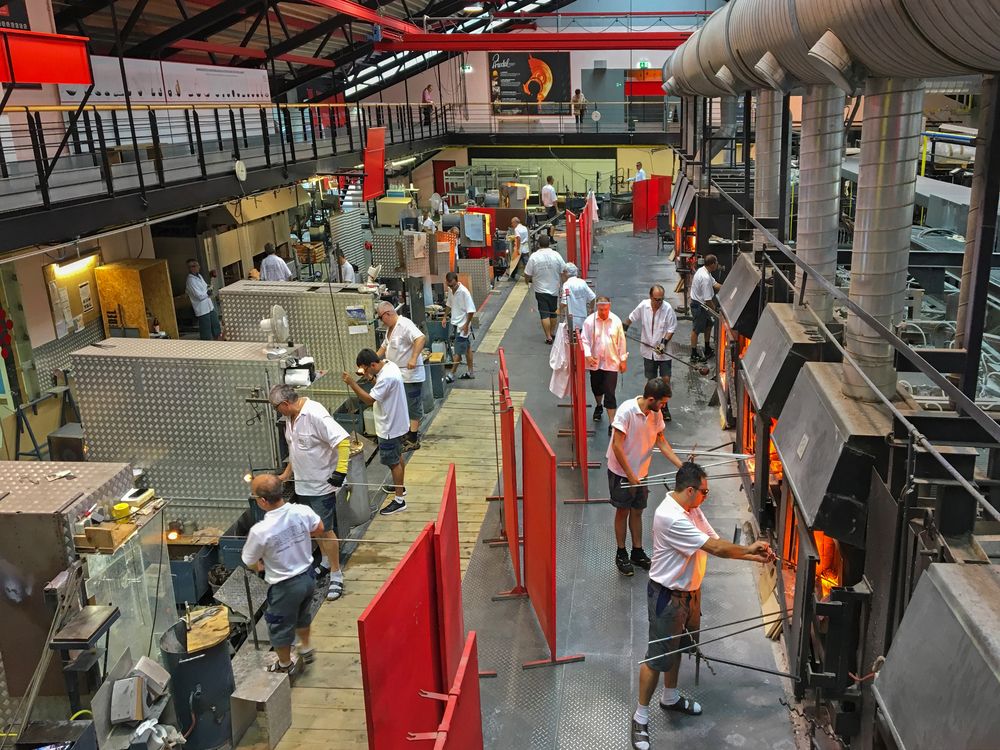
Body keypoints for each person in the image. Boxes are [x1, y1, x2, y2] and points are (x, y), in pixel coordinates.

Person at [631, 462, 773, 750]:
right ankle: (640, 717)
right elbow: (716, 548)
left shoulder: (691, 508)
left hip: (690, 594)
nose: (707, 496)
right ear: (691, 489)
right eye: (704, 492)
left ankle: (669, 697)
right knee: (657, 657)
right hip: (667, 597)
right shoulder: (670, 517)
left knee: (680, 647)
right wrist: (749, 549)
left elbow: (716, 541)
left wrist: (754, 558)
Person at [241, 474, 328, 675]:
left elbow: (248, 561)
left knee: (279, 625)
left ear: (262, 501)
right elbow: (320, 528)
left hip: (284, 586)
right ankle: (305, 648)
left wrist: (259, 566)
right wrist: (298, 539)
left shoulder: (260, 530)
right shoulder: (301, 511)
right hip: (307, 577)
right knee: (302, 616)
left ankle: (285, 664)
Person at [270, 384, 349, 601]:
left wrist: (341, 471)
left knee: (325, 529)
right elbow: (295, 449)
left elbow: (343, 441)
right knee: (313, 528)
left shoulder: (315, 414)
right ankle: (324, 560)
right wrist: (285, 475)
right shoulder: (289, 419)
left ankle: (336, 573)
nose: (278, 412)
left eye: (278, 408)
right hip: (303, 485)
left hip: (321, 486)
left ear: (285, 404)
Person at [608, 378, 685, 578]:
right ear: (651, 399)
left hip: (641, 472)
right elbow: (617, 445)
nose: (664, 406)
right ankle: (621, 552)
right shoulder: (626, 411)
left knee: (637, 511)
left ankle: (637, 551)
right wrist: (631, 475)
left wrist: (682, 466)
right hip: (622, 472)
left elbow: (662, 441)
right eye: (662, 402)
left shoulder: (655, 413)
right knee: (623, 511)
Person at [342, 349, 410, 515]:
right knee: (397, 455)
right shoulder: (388, 365)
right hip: (398, 422)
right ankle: (399, 486)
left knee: (393, 462)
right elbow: (381, 389)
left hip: (389, 425)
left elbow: (369, 399)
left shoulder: (386, 378)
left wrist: (352, 383)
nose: (364, 372)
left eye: (365, 369)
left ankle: (399, 500)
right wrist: (371, 378)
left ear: (372, 364)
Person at [376, 301, 426, 451]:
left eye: (380, 318)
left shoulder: (405, 324)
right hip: (398, 377)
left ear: (387, 314)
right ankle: (407, 432)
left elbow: (420, 338)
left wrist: (413, 358)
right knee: (402, 406)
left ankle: (413, 439)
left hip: (410, 376)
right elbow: (384, 347)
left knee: (413, 406)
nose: (381, 321)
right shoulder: (390, 330)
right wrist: (371, 360)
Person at [624, 285, 678, 421]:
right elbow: (630, 318)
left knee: (665, 379)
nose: (659, 302)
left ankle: (664, 407)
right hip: (648, 351)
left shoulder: (667, 309)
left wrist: (663, 343)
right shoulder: (643, 306)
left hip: (663, 351)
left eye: (661, 299)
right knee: (651, 380)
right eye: (656, 299)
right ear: (650, 297)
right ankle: (649, 407)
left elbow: (671, 328)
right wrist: (624, 329)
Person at [581, 296, 627, 434]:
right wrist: (588, 356)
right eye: (601, 309)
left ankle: (612, 423)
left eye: (605, 309)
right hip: (595, 362)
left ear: (609, 307)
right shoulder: (589, 322)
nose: (603, 312)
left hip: (611, 363)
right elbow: (584, 340)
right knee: (596, 388)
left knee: (610, 392)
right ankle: (598, 405)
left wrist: (623, 359)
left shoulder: (616, 321)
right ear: (597, 308)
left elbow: (621, 341)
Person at [524, 234, 566, 345]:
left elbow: (527, 273)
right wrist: (565, 284)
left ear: (538, 244)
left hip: (540, 289)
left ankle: (548, 337)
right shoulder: (556, 255)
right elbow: (563, 271)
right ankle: (552, 332)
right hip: (554, 289)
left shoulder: (534, 257)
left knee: (544, 313)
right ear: (549, 243)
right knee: (553, 312)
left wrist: (527, 281)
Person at [444, 271, 476, 382]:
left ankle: (451, 374)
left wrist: (466, 325)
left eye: (452, 285)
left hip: (462, 326)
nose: (451, 288)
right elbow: (449, 304)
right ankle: (471, 372)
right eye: (449, 285)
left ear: (457, 281)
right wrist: (444, 317)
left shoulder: (464, 292)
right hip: (456, 324)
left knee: (458, 351)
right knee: (467, 349)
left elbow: (471, 311)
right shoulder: (451, 290)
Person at [690, 255, 721, 362]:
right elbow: (708, 300)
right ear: (712, 264)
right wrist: (716, 311)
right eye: (716, 263)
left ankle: (707, 348)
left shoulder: (704, 271)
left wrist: (728, 288)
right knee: (696, 329)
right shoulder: (705, 278)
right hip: (699, 306)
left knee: (709, 325)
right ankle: (693, 353)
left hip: (703, 305)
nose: (717, 265)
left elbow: (716, 285)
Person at [185, 259, 221, 340]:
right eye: (196, 266)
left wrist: (210, 287)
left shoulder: (199, 276)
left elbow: (205, 286)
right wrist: (208, 293)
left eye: (198, 265)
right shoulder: (191, 281)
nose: (198, 267)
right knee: (206, 328)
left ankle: (218, 338)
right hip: (202, 308)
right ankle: (207, 343)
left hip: (209, 305)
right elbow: (199, 296)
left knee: (215, 324)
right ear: (191, 268)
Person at [559, 262, 596, 330]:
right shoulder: (582, 282)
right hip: (583, 317)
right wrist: (591, 309)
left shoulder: (567, 285)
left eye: (564, 272)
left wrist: (558, 310)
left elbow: (564, 303)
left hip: (572, 320)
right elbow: (593, 297)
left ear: (566, 273)